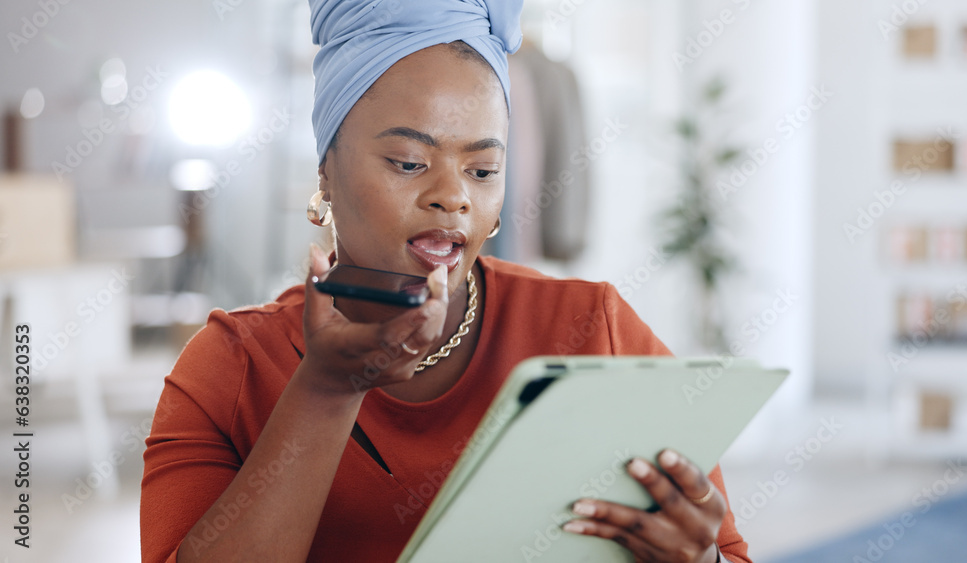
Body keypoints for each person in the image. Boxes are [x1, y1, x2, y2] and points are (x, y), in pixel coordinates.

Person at [140, 1, 752, 561]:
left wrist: (703, 560)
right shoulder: (228, 370)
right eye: (409, 162)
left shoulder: (593, 329)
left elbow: (727, 548)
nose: (453, 197)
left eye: (484, 169)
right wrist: (327, 390)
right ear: (325, 169)